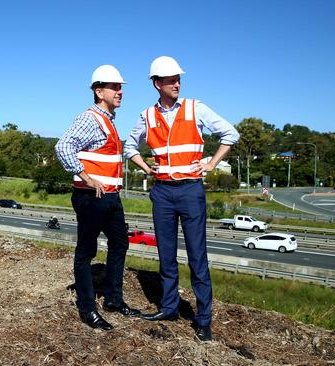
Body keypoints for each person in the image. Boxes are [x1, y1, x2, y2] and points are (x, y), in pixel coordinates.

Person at [123, 56, 240, 341]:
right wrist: (146, 167)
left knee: (197, 257)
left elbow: (230, 133)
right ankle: (169, 307)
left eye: (178, 79)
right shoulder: (147, 116)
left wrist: (211, 163)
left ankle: (203, 319)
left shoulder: (195, 108)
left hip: (190, 190)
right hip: (162, 191)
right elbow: (129, 146)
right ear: (157, 84)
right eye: (171, 79)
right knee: (166, 255)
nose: (177, 83)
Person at [55, 65, 141, 331]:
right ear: (98, 90)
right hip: (90, 196)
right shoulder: (90, 118)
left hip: (110, 197)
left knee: (119, 244)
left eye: (120, 87)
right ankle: (87, 309)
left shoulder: (108, 120)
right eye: (114, 87)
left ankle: (113, 300)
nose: (120, 92)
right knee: (86, 252)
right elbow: (63, 146)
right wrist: (87, 177)